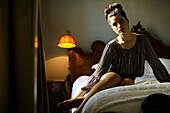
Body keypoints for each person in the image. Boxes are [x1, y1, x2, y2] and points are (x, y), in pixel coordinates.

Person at [57, 3, 170, 113]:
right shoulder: (111, 46)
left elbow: (157, 65)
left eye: (121, 21)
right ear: (112, 28)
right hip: (111, 75)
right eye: (114, 24)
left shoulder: (142, 41)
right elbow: (98, 73)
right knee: (115, 77)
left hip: (129, 78)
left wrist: (168, 82)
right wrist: (81, 93)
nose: (119, 26)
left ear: (127, 20)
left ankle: (79, 101)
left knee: (127, 82)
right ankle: (81, 106)